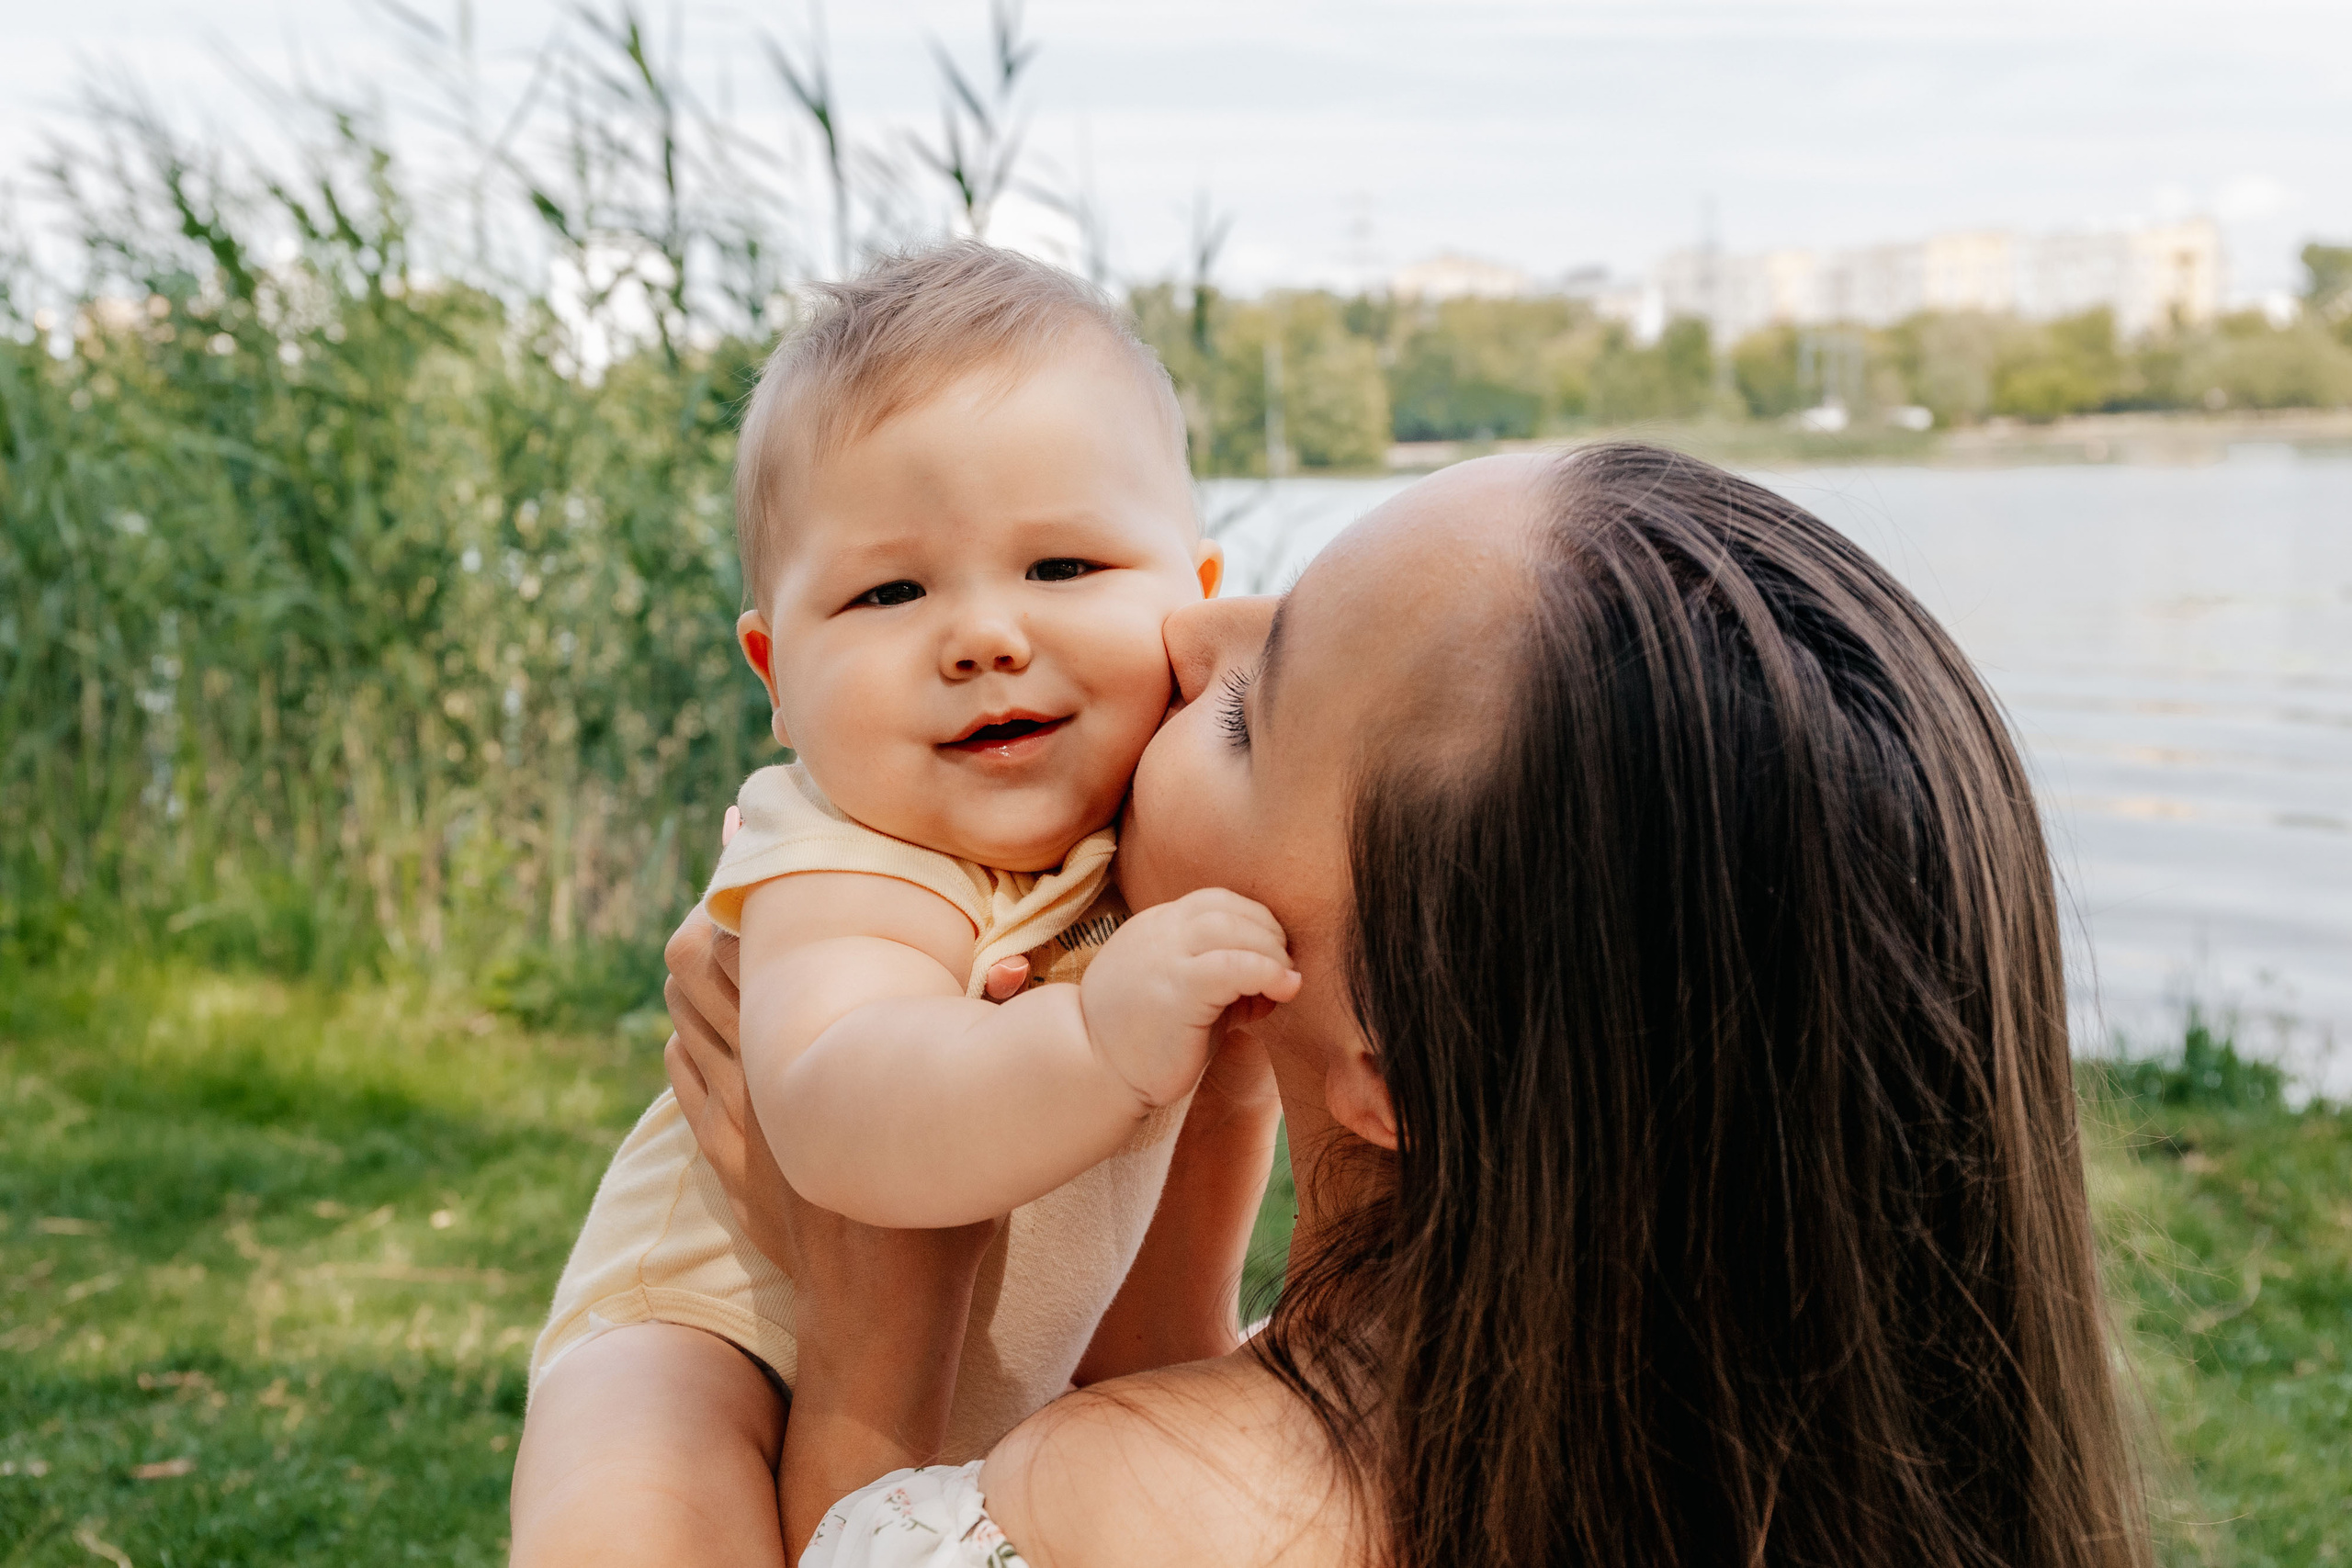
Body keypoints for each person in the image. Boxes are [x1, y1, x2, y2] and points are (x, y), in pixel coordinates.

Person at [663, 444, 2153, 1568]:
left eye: (1247, 716)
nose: (1187, 637)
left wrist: (874, 1303)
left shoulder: (1108, 1515)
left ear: (1395, 1060)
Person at [509, 243, 1302, 1564]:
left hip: (1006, 1371)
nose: (984, 636)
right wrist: (1097, 1039)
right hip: (721, 1336)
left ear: (1197, 609)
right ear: (777, 668)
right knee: (635, 1493)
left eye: (1063, 568)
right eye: (889, 592)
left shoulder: (1168, 836)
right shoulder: (840, 852)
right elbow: (843, 1112)